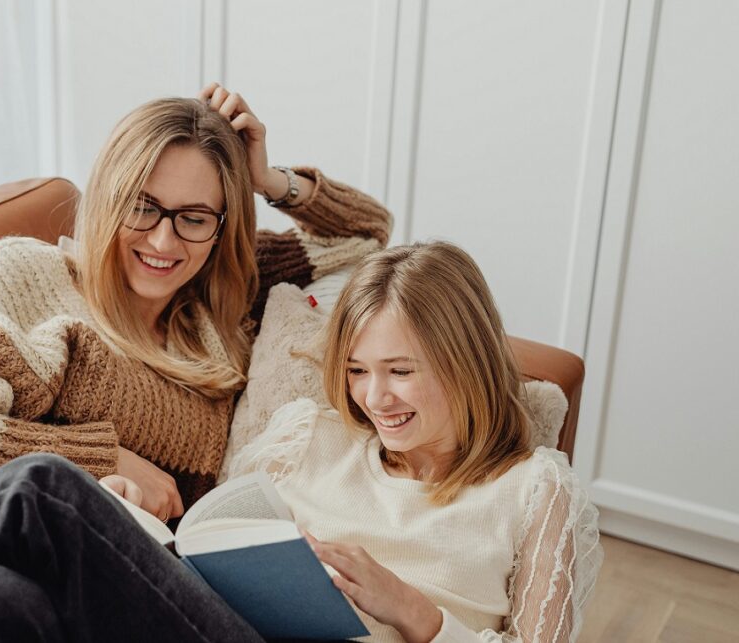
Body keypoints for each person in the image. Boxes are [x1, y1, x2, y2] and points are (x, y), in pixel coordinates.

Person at [0, 83, 392, 642]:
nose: (162, 241)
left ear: (220, 225)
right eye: (142, 206)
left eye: (193, 218)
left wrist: (266, 177)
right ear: (108, 197)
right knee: (34, 497)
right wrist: (100, 460)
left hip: (50, 595)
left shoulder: (221, 317)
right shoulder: (25, 276)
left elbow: (367, 233)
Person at [226, 242, 603, 641]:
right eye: (357, 370)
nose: (374, 398)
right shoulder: (303, 437)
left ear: (467, 363)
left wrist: (411, 610)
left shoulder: (533, 490)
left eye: (401, 371)